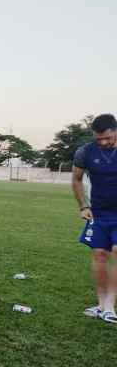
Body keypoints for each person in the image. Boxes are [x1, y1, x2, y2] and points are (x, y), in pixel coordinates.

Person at [72, 113, 117, 323]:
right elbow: (77, 179)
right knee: (99, 254)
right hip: (99, 211)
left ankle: (110, 305)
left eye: (107, 138)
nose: (103, 142)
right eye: (98, 139)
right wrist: (84, 205)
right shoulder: (85, 152)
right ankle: (100, 304)